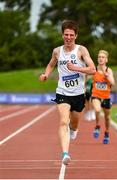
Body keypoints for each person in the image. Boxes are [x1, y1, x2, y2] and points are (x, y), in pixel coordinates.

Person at [39, 20, 96, 165]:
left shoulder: (81, 50)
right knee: (64, 121)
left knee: (74, 124)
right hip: (62, 92)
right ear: (62, 35)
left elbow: (93, 69)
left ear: (76, 36)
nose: (68, 37)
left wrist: (76, 68)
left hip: (78, 94)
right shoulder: (57, 51)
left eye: (71, 35)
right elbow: (51, 64)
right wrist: (46, 74)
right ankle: (65, 154)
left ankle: (74, 130)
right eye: (66, 34)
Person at [91, 50, 115, 144]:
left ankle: (107, 132)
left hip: (106, 97)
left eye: (103, 57)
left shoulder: (108, 70)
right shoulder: (94, 70)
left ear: (106, 60)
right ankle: (97, 126)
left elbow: (113, 83)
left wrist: (107, 76)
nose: (101, 59)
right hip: (96, 95)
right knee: (97, 110)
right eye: (99, 57)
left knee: (107, 117)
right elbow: (85, 75)